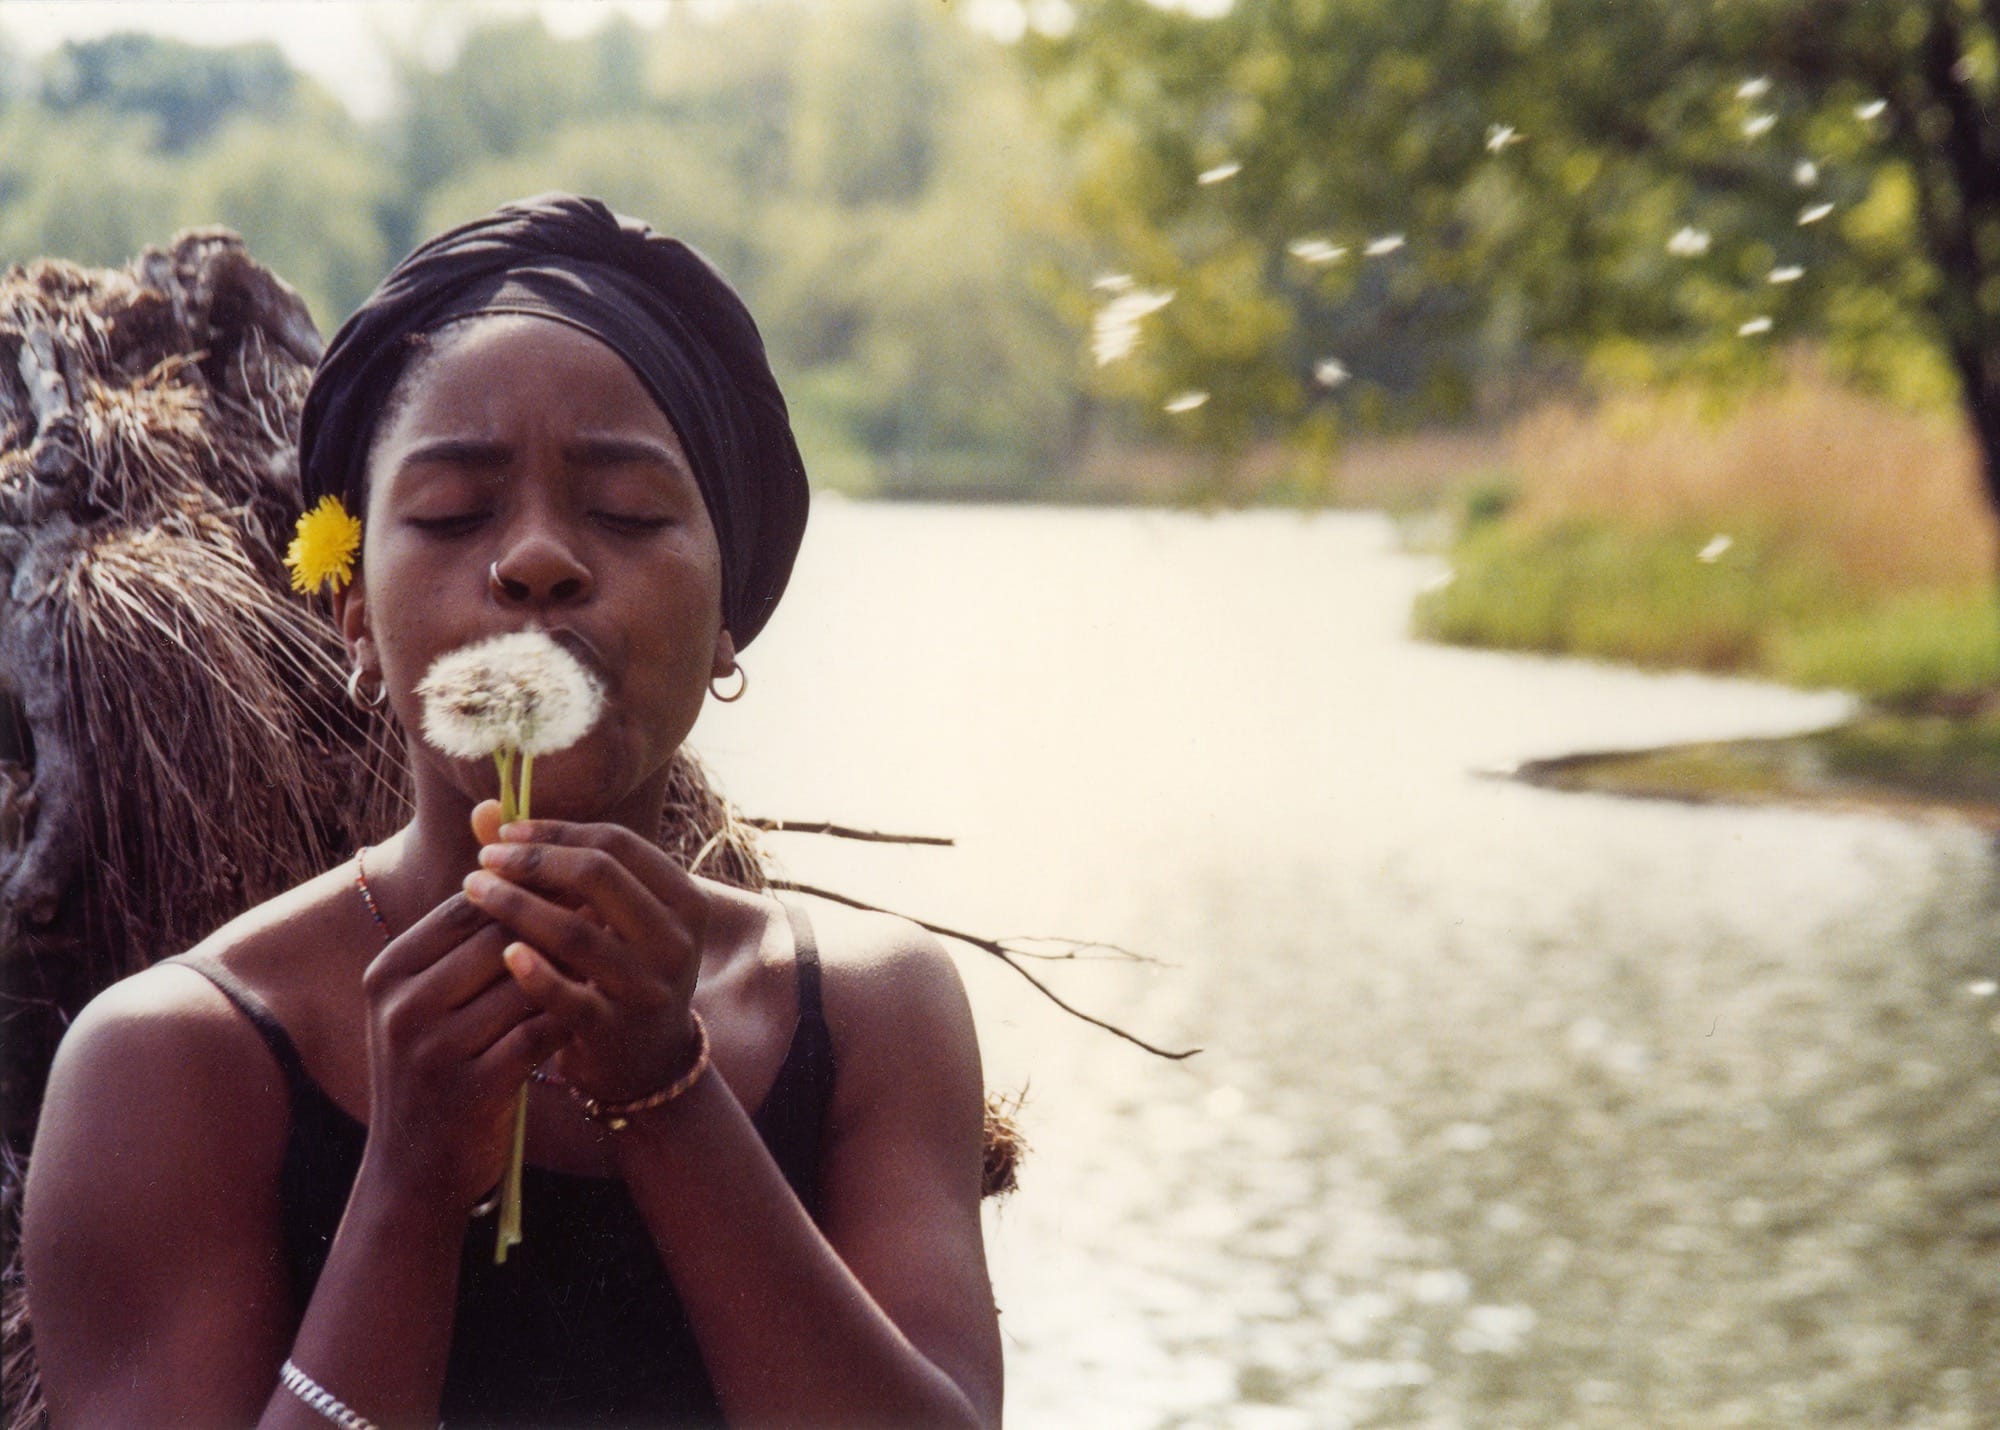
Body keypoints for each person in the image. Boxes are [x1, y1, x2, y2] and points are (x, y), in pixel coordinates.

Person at [19, 195, 1002, 1428]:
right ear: (354, 618)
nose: (536, 558)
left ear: (728, 620)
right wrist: (412, 1183)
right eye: (450, 514)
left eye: (629, 514)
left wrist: (668, 1094)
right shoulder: (169, 1064)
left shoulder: (867, 1011)